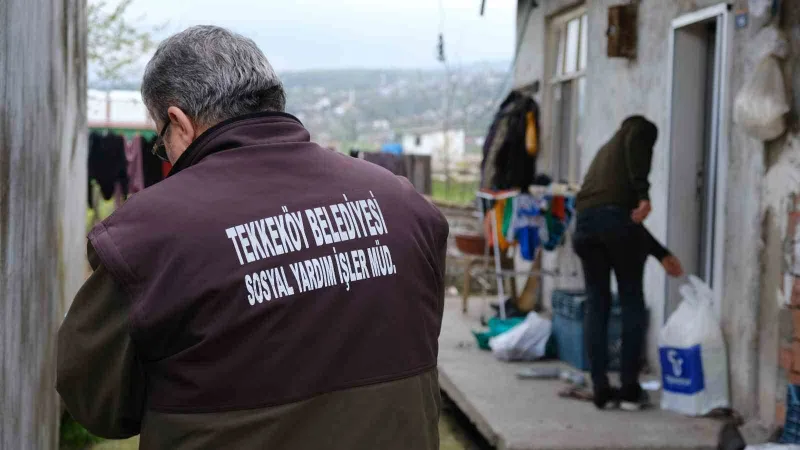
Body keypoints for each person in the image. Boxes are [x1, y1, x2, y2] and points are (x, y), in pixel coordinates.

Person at [57, 26, 449, 450]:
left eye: (160, 143)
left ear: (179, 123)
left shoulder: (146, 236)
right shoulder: (403, 205)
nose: (164, 153)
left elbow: (97, 402)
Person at [573, 115, 682, 411]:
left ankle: (600, 388)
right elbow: (620, 221)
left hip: (584, 227)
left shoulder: (605, 155)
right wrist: (644, 194)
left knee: (598, 302)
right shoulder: (639, 130)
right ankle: (630, 389)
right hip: (614, 226)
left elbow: (616, 218)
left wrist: (660, 253)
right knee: (632, 299)